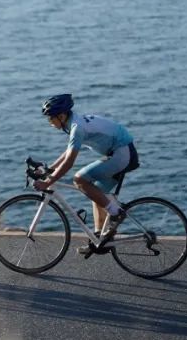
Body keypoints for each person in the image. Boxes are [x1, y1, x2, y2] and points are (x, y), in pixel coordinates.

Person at [32, 94, 139, 252]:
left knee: (79, 179)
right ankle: (101, 239)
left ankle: (116, 213)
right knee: (96, 193)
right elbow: (69, 151)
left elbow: (69, 162)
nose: (49, 122)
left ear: (61, 116)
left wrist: (48, 182)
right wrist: (50, 169)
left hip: (122, 153)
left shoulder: (77, 128)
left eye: (51, 118)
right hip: (118, 152)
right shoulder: (73, 123)